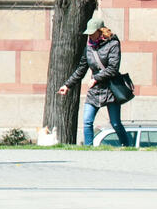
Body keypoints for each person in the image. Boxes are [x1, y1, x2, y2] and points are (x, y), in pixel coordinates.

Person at [57, 15, 133, 148]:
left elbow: (113, 69)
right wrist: (67, 85)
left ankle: (126, 146)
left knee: (115, 123)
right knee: (87, 122)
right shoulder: (89, 48)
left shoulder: (113, 44)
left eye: (92, 33)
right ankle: (88, 148)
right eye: (89, 34)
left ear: (101, 31)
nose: (90, 36)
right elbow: (81, 70)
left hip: (111, 90)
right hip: (95, 92)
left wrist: (96, 79)